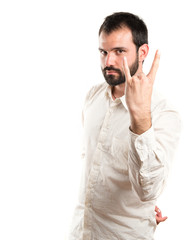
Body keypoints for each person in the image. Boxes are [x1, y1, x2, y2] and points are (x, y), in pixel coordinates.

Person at [69, 12, 181, 240]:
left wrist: (140, 118)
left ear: (142, 53)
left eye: (119, 51)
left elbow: (149, 189)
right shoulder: (93, 96)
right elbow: (91, 163)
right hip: (81, 232)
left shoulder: (164, 113)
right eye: (103, 52)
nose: (108, 61)